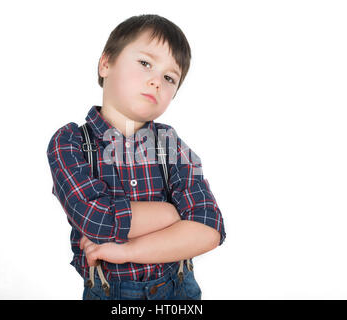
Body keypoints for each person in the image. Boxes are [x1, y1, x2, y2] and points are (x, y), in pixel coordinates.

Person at [46, 14, 226, 300]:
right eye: (145, 63)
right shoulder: (71, 142)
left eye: (169, 78)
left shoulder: (170, 144)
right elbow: (97, 219)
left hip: (178, 288)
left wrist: (125, 250)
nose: (156, 81)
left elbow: (209, 229)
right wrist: (172, 214)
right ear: (106, 64)